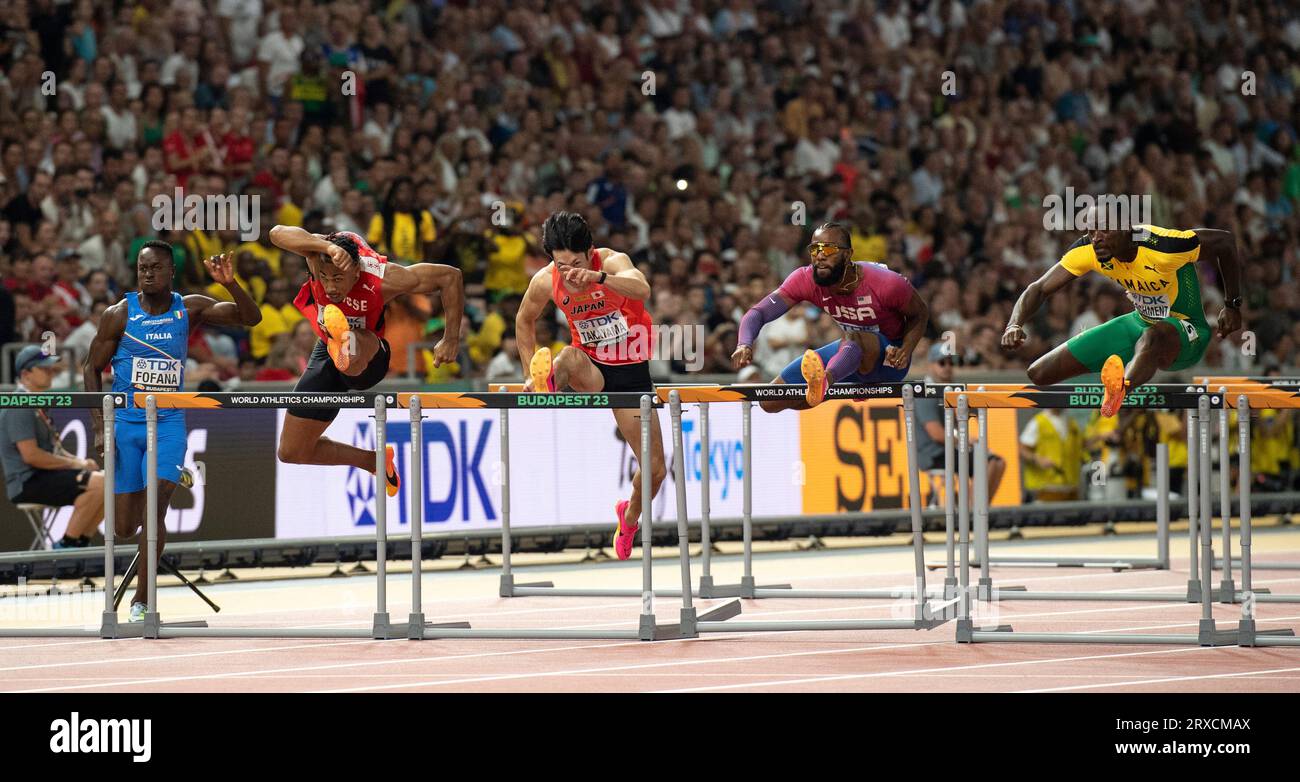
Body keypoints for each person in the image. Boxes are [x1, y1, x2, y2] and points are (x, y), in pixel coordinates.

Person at [84, 243, 262, 621]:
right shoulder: (118, 315)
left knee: (154, 510)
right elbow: (90, 367)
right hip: (127, 425)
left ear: (170, 272)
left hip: (167, 423)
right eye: (141, 267)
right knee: (124, 526)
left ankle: (141, 600)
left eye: (155, 268)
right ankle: (171, 474)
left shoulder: (190, 307)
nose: (147, 274)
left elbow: (251, 318)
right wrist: (100, 427)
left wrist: (231, 284)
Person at [514, 211, 665, 561]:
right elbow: (524, 319)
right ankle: (545, 381)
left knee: (655, 469)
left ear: (591, 251)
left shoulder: (612, 261)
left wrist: (599, 277)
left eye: (576, 263)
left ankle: (629, 518)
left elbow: (642, 288)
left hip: (630, 371)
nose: (570, 272)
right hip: (589, 366)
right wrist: (526, 370)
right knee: (566, 356)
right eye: (561, 264)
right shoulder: (546, 280)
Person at [266, 226, 462, 491]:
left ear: (356, 272)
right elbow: (276, 233)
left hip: (370, 356)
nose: (330, 287)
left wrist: (450, 338)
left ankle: (344, 341)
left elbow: (450, 277)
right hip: (327, 352)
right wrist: (327, 247)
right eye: (324, 278)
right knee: (291, 451)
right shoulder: (316, 256)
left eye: (338, 278)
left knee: (355, 340)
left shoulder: (383, 277)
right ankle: (373, 460)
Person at [1002, 218, 1243, 417]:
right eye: (1091, 230)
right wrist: (1015, 323)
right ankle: (1122, 379)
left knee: (1153, 336)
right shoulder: (1089, 249)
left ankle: (1119, 390)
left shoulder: (1164, 246)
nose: (1096, 238)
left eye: (1105, 230)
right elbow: (1039, 288)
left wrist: (1232, 305)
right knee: (1040, 373)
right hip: (1138, 324)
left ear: (1128, 230)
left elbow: (1225, 241)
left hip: (1186, 331)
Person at [731, 222, 929, 412]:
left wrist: (906, 349)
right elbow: (759, 312)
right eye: (814, 249)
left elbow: (920, 314)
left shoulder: (886, 283)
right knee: (770, 401)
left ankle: (825, 382)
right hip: (848, 356)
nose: (819, 256)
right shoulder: (805, 279)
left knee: (854, 335)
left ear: (847, 255)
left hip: (889, 359)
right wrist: (744, 343)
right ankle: (825, 387)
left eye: (827, 250)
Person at [0, 346, 105, 548]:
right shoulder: (19, 405)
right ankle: (65, 547)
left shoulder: (39, 404)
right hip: (27, 481)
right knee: (100, 483)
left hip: (42, 476)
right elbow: (31, 456)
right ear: (25, 374)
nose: (51, 373)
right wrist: (76, 463)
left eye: (51, 369)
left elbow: (53, 449)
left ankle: (78, 545)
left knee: (106, 485)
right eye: (44, 369)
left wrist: (80, 463)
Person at [912, 343, 1005, 501]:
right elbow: (937, 434)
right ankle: (969, 512)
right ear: (931, 365)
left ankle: (979, 512)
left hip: (946, 448)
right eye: (942, 363)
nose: (947, 367)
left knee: (999, 462)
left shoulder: (948, 390)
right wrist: (965, 440)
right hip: (933, 454)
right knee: (986, 461)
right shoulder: (927, 392)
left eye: (950, 362)